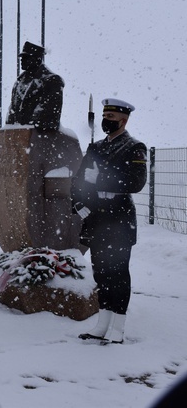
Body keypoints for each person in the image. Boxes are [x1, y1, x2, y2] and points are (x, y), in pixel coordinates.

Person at [71, 99, 147, 344]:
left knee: (118, 273)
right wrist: (79, 203)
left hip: (119, 217)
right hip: (96, 217)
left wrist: (102, 178)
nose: (107, 121)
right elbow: (80, 179)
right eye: (105, 116)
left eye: (111, 117)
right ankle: (102, 323)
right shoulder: (95, 148)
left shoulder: (134, 147)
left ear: (123, 121)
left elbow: (136, 183)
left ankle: (118, 326)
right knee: (101, 272)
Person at [6, 41, 64, 131]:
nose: (22, 60)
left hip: (39, 138)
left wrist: (29, 129)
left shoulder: (51, 80)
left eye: (27, 57)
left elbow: (48, 116)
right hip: (18, 137)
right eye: (22, 57)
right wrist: (9, 129)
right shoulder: (19, 82)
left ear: (38, 59)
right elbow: (12, 112)